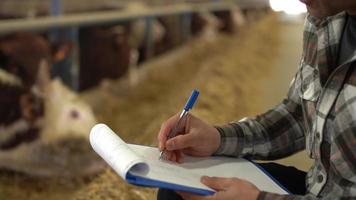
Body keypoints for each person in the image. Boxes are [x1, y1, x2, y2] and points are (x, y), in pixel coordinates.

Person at [157, 0, 356, 199]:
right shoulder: (324, 19)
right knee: (175, 189)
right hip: (319, 186)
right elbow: (298, 115)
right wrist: (218, 139)